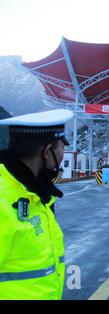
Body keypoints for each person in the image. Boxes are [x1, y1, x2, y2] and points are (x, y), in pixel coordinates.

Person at [0, 109, 74, 299]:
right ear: (47, 152)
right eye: (62, 148)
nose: (64, 154)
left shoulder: (34, 193)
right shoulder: (4, 198)